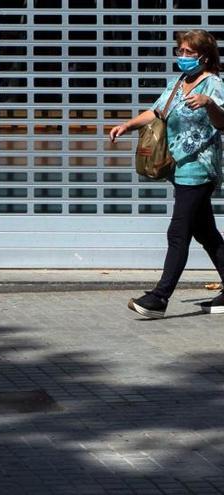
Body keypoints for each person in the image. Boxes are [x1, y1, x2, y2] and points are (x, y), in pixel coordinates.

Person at [111, 29, 224, 318]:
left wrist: (209, 104)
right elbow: (157, 112)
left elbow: (223, 122)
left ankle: (159, 298)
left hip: (200, 168)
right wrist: (127, 125)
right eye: (181, 51)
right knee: (207, 234)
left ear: (204, 55)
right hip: (179, 166)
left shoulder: (213, 84)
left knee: (178, 232)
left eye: (189, 52)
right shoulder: (179, 83)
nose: (183, 57)